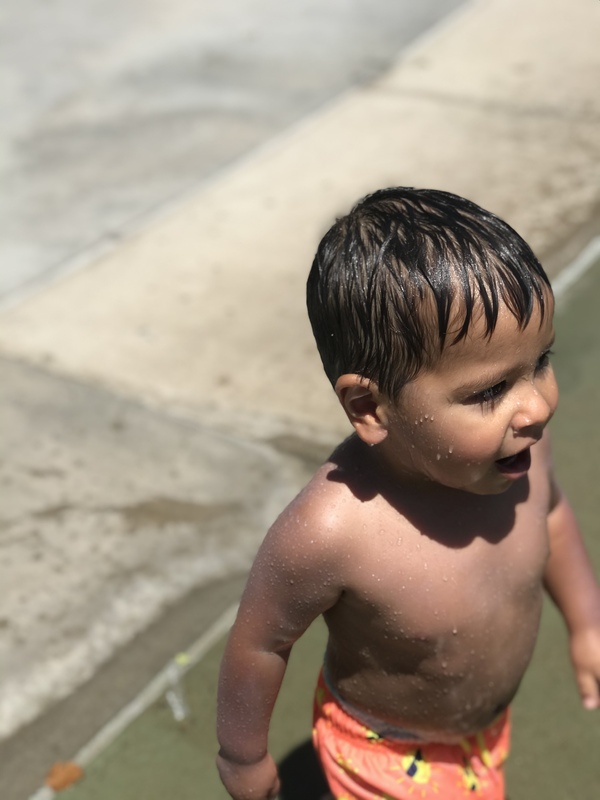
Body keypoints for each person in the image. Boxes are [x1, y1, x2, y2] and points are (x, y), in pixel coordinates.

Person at [216, 188, 600, 800]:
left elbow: (550, 519)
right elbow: (262, 641)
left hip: (481, 727)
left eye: (541, 361)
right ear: (370, 407)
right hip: (382, 751)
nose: (536, 406)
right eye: (488, 391)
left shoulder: (523, 452)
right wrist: (242, 756)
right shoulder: (334, 531)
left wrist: (587, 623)